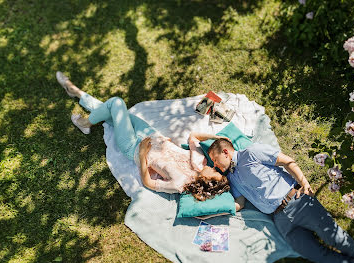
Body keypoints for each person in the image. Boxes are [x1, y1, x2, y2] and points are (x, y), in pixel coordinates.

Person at [207, 138, 354, 263]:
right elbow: (240, 203)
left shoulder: (251, 153)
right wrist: (213, 209)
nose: (215, 164)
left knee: (332, 236)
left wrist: (304, 183)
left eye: (215, 160)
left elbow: (286, 161)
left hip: (296, 200)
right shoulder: (232, 178)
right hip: (280, 219)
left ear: (226, 152)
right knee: (313, 253)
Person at [56, 71, 229, 200]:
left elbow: (149, 183)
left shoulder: (180, 184)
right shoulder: (200, 162)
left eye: (215, 173)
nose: (214, 168)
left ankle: (85, 122)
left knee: (117, 103)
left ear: (207, 181)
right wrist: (217, 139)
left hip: (134, 147)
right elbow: (194, 137)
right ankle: (77, 93)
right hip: (151, 134)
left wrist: (141, 155)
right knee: (114, 112)